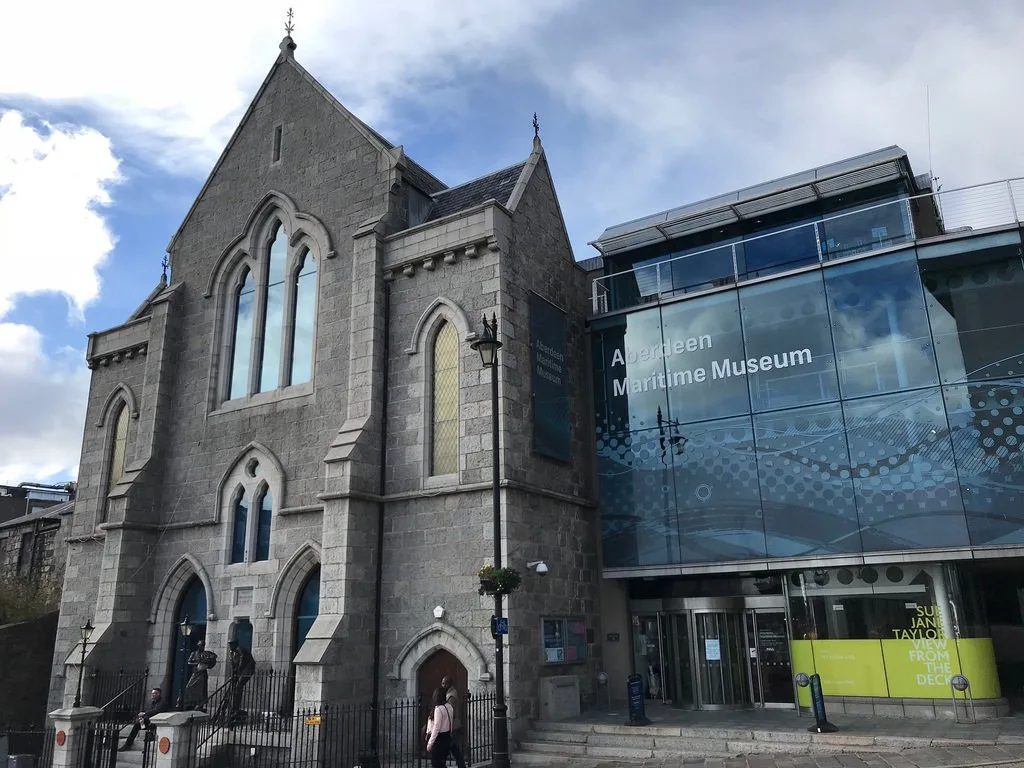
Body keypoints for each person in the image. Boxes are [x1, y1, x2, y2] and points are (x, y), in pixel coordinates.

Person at [440, 675, 468, 768]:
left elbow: (450, 712)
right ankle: (460, 764)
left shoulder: (451, 695)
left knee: (453, 746)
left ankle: (460, 763)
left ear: (449, 684)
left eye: (444, 683)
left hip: (453, 725)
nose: (442, 685)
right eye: (442, 683)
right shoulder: (449, 693)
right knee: (452, 747)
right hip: (451, 725)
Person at [184, 640, 217, 711]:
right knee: (189, 687)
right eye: (200, 645)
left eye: (203, 645)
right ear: (198, 645)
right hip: (195, 673)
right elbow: (189, 662)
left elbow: (213, 658)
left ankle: (200, 704)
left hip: (202, 673)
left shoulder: (206, 654)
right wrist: (197, 664)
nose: (202, 646)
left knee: (202, 690)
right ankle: (190, 703)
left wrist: (206, 664)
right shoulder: (194, 653)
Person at [424, 687, 453, 768]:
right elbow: (451, 723)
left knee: (436, 763)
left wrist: (430, 743)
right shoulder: (449, 707)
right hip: (447, 736)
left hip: (439, 739)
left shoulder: (438, 709)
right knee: (441, 763)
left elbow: (437, 727)